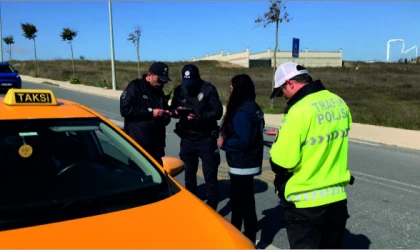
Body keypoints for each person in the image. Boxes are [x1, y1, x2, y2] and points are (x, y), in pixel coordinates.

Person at [269, 62, 355, 249]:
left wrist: (279, 140)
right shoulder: (338, 101)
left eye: (282, 91)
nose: (283, 96)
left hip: (304, 205)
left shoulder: (298, 111)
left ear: (289, 83)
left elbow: (282, 163)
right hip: (336, 199)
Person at [217, 74, 265, 244]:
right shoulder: (254, 107)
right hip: (250, 161)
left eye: (232, 87)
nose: (230, 90)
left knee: (239, 204)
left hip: (241, 163)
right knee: (247, 201)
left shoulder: (242, 110)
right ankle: (247, 236)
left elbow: (242, 140)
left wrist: (224, 143)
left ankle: (239, 239)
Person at [169, 64, 223, 210]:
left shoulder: (208, 89)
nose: (189, 86)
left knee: (210, 175)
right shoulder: (180, 89)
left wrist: (198, 117)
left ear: (198, 77)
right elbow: (172, 108)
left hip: (206, 138)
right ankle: (191, 205)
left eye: (191, 81)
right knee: (189, 173)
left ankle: (212, 208)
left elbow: (218, 112)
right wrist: (177, 112)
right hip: (187, 138)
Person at [120, 61, 172, 166]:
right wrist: (151, 113)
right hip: (138, 145)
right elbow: (125, 109)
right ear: (149, 75)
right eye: (159, 80)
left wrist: (166, 116)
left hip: (157, 146)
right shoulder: (135, 87)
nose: (161, 84)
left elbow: (163, 117)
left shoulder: (160, 92)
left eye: (164, 82)